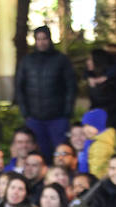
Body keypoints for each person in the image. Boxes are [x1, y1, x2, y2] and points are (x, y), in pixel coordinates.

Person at [14, 26, 76, 158]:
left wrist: (67, 112)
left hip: (58, 117)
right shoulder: (27, 61)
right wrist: (26, 113)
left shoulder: (61, 60)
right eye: (38, 39)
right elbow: (20, 87)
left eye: (44, 39)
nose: (41, 42)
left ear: (49, 39)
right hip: (35, 118)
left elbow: (71, 86)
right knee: (40, 154)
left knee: (61, 153)